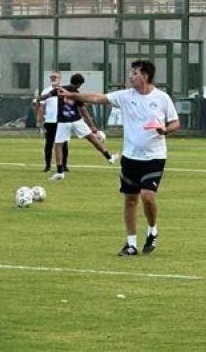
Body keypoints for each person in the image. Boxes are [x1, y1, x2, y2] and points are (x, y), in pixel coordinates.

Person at [58, 60, 180, 256]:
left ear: (145, 76)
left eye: (134, 73)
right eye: (130, 73)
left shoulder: (162, 98)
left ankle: (152, 230)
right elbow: (97, 98)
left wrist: (165, 129)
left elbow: (175, 123)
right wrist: (72, 94)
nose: (130, 76)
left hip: (154, 156)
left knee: (147, 196)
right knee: (130, 199)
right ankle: (131, 244)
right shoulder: (124, 96)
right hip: (130, 157)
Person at [45, 73, 118, 181]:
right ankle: (109, 157)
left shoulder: (60, 89)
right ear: (79, 84)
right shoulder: (77, 94)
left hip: (63, 121)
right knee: (92, 139)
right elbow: (84, 111)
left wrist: (38, 98)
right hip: (76, 120)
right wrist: (92, 126)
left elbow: (46, 96)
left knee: (58, 145)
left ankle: (60, 171)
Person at [37, 71, 68, 173]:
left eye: (55, 77)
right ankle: (48, 165)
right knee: (49, 143)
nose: (53, 78)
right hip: (50, 121)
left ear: (60, 78)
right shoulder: (46, 91)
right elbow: (42, 107)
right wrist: (40, 120)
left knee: (63, 143)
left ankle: (64, 165)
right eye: (52, 77)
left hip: (62, 121)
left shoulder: (65, 90)